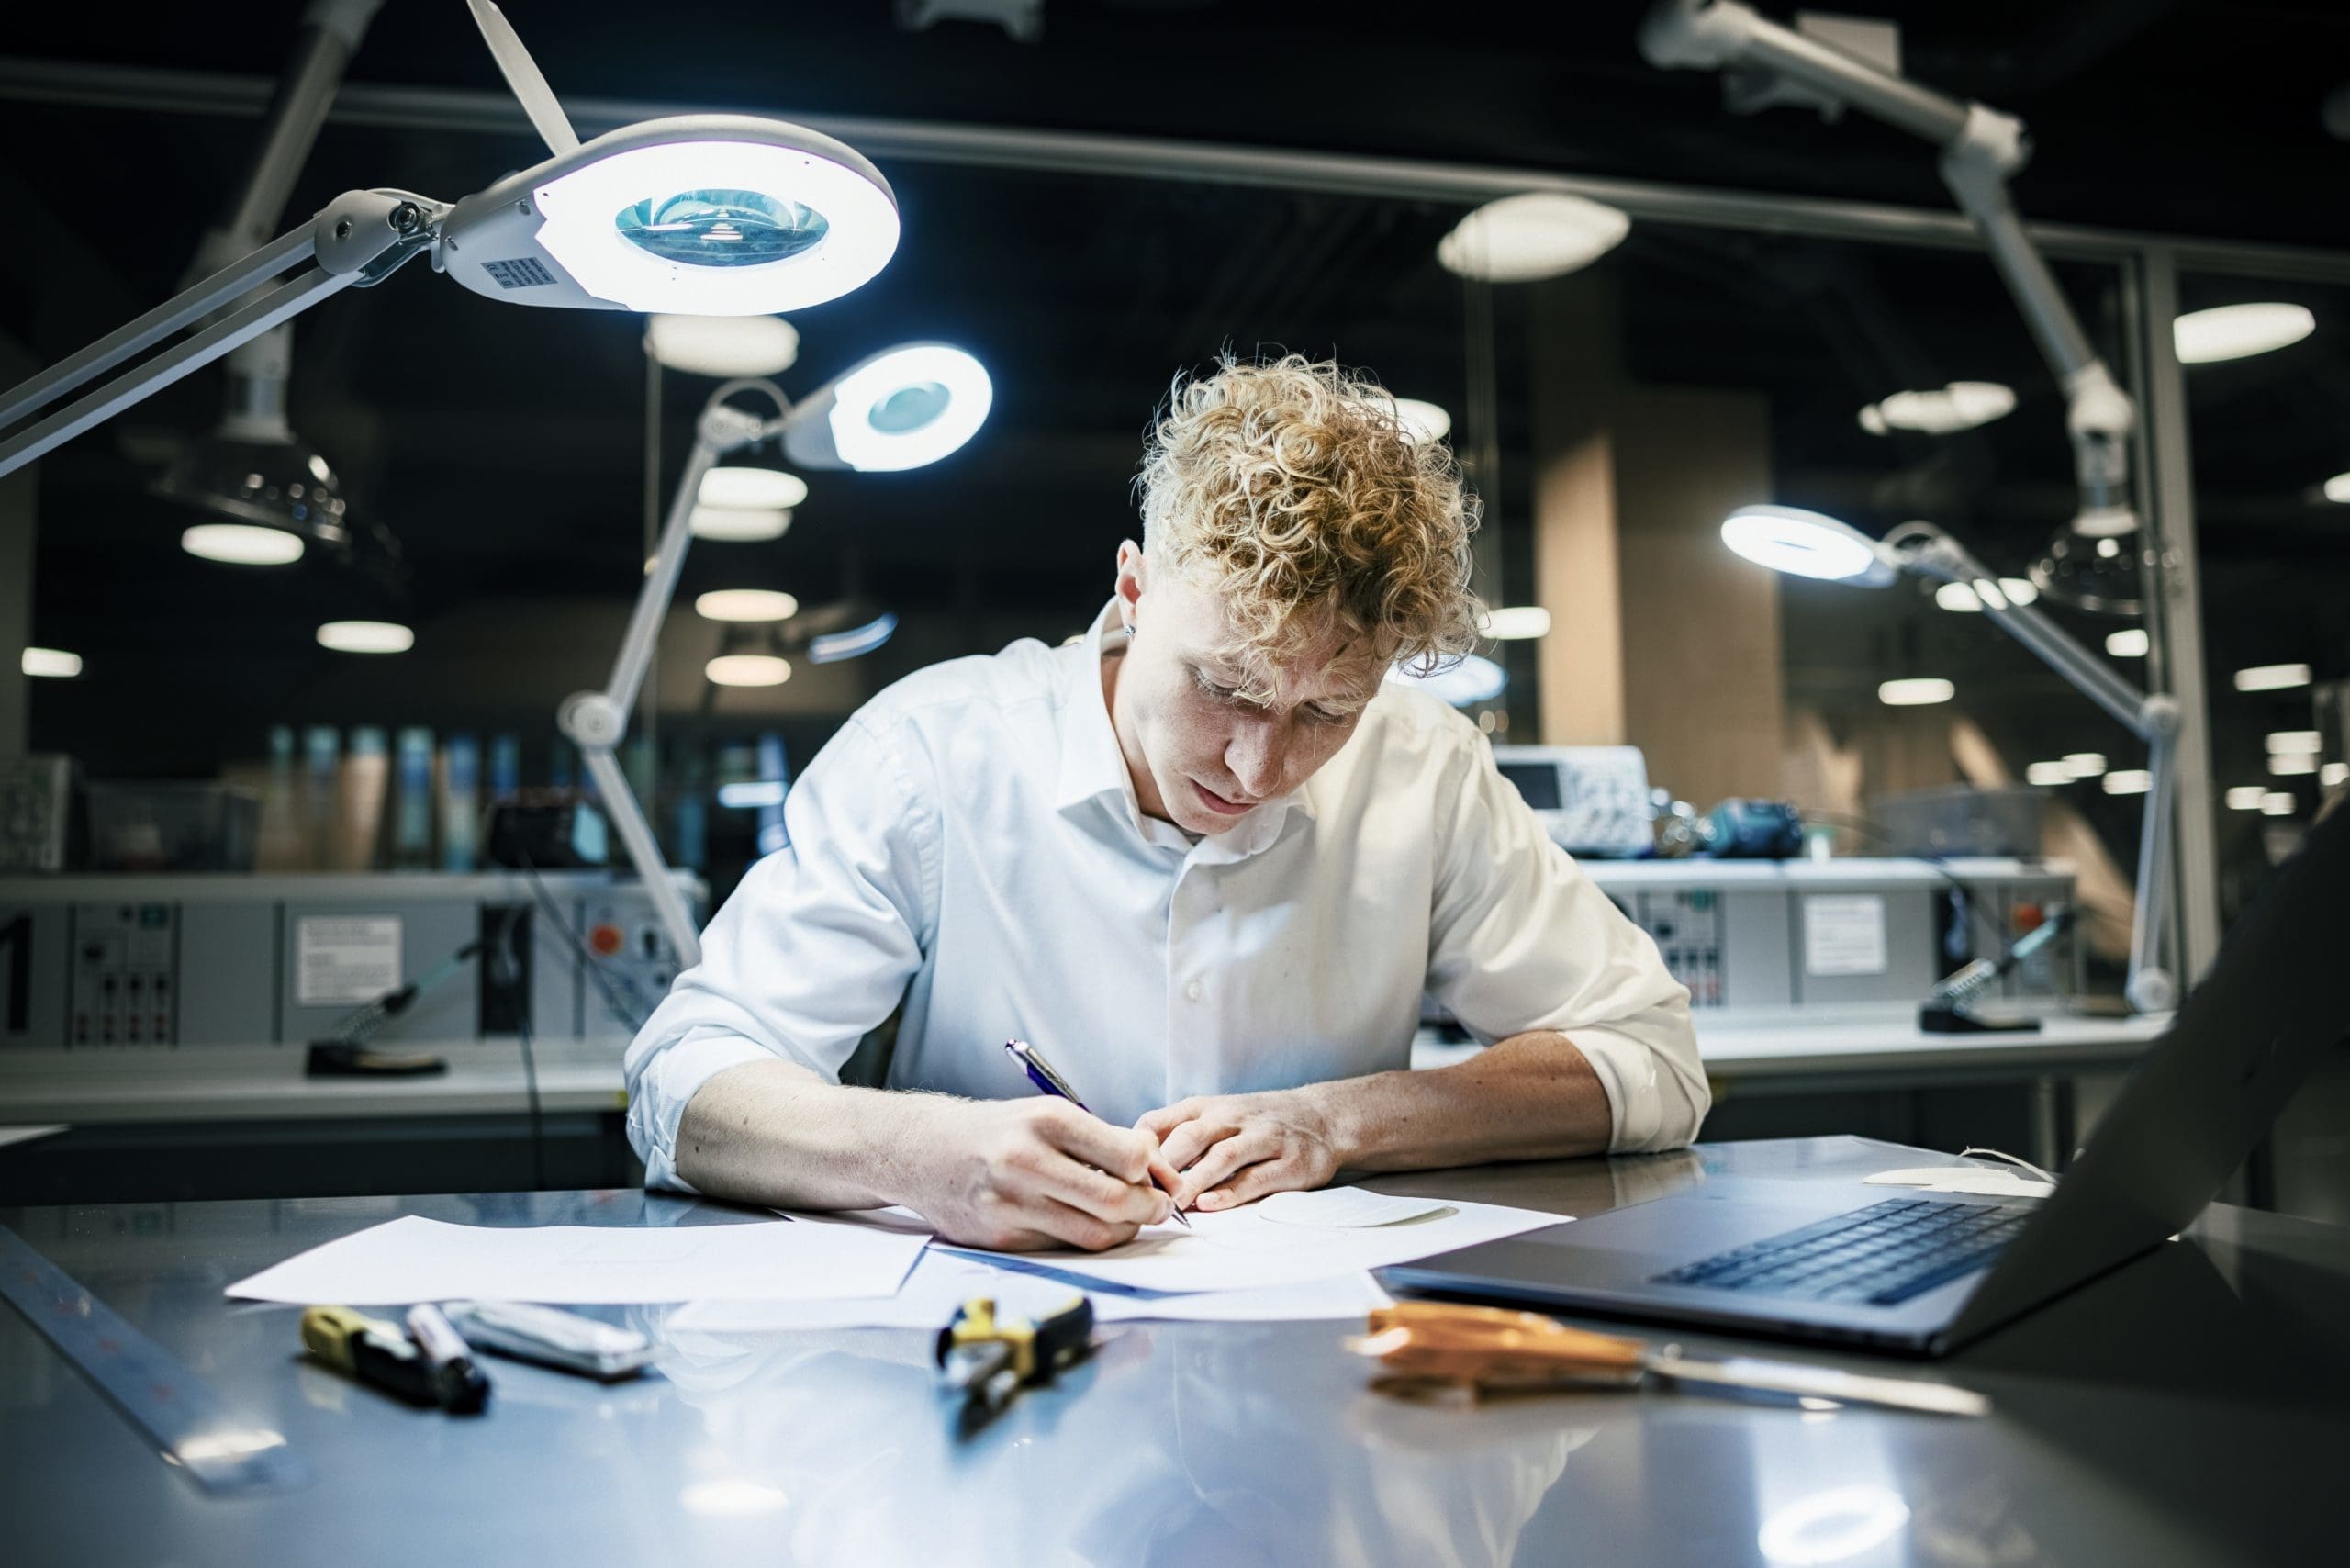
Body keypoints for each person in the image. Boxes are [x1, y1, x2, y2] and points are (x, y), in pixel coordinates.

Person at [623, 354, 1706, 1250]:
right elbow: (684, 1084)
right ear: (1134, 591)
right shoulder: (932, 754)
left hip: (1323, 1396)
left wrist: (1339, 1122)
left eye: (1327, 711)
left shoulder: (1425, 764)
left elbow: (1648, 1060)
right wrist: (924, 1154)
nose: (1255, 766)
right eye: (1222, 688)